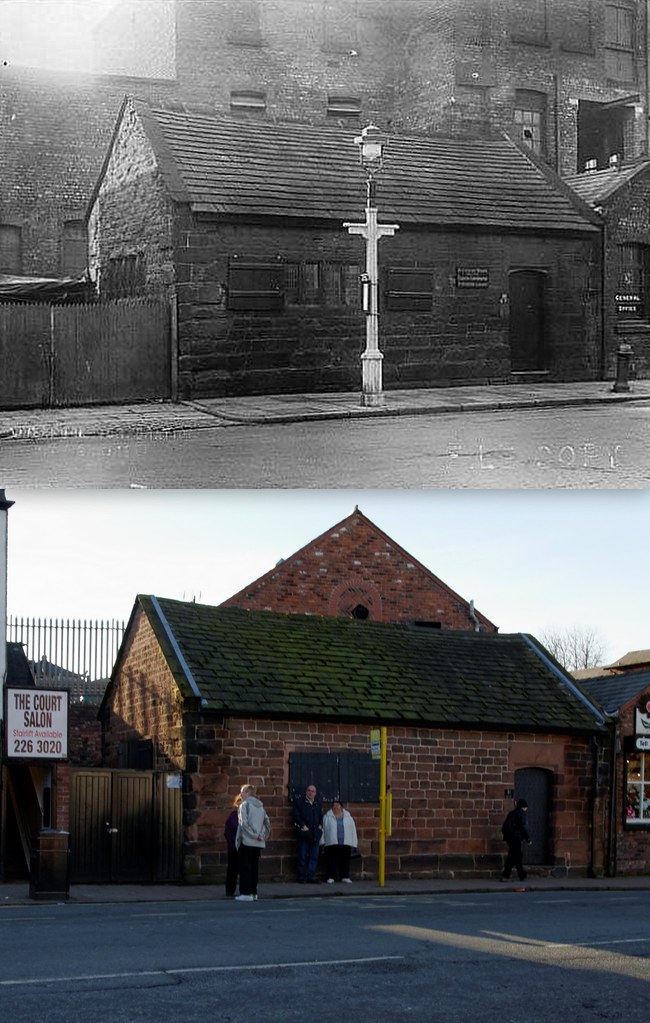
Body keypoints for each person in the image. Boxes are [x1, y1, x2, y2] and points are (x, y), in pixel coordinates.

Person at [235, 784, 271, 901]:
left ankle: (245, 893)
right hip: (258, 843)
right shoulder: (261, 807)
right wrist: (262, 835)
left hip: (247, 841)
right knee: (254, 868)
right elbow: (267, 824)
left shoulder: (244, 805)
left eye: (242, 792)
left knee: (245, 868)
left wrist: (254, 835)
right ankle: (253, 893)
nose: (240, 795)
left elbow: (243, 824)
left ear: (248, 793)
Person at [292, 783, 323, 883]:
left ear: (315, 793)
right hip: (304, 834)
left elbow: (320, 816)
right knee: (302, 856)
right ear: (306, 792)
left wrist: (320, 826)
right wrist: (302, 826)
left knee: (314, 857)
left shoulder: (317, 803)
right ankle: (301, 877)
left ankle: (311, 876)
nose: (310, 793)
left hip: (315, 834)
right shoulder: (299, 802)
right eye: (309, 790)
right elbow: (296, 815)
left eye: (313, 791)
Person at [322, 800, 358, 884]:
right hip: (331, 842)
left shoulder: (348, 817)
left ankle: (345, 876)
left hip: (345, 842)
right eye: (334, 806)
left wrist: (354, 842)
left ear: (341, 807)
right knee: (331, 861)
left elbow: (353, 830)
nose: (336, 807)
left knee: (345, 860)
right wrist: (322, 842)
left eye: (337, 805)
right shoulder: (327, 817)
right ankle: (331, 876)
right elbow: (323, 829)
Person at [501, 798, 531, 882]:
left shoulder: (512, 813)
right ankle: (520, 874)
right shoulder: (522, 814)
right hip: (516, 838)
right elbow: (523, 827)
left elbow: (505, 826)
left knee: (512, 856)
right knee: (518, 856)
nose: (526, 809)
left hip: (510, 838)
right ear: (523, 807)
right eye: (526, 807)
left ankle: (507, 875)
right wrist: (528, 839)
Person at [224, 793, 242, 897]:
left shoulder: (248, 816)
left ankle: (244, 890)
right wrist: (231, 843)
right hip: (233, 848)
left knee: (244, 870)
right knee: (232, 870)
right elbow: (227, 831)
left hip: (244, 847)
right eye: (239, 802)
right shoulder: (232, 816)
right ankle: (230, 890)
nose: (240, 804)